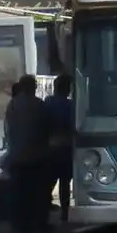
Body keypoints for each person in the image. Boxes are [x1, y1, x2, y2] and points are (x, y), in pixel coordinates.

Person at [5, 75, 51, 233]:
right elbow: (46, 130)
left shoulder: (13, 105)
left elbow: (8, 129)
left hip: (17, 155)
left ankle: (19, 224)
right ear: (33, 87)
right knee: (38, 193)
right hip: (36, 155)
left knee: (19, 193)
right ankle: (38, 223)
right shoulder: (39, 105)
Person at [44, 74, 72, 223]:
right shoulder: (71, 105)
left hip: (50, 147)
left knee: (48, 181)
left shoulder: (48, 102)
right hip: (66, 147)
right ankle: (65, 212)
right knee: (65, 182)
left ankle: (44, 209)